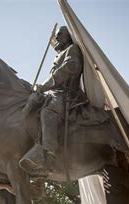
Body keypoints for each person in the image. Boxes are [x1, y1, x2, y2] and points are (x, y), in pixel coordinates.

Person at [25, 25, 85, 175]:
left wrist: (44, 86)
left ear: (69, 36)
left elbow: (67, 70)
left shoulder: (73, 49)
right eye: (57, 35)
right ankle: (37, 148)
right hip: (54, 93)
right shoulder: (59, 55)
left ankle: (49, 160)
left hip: (67, 94)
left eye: (60, 35)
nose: (57, 38)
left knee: (48, 113)